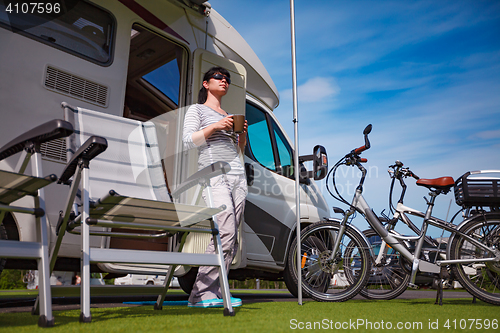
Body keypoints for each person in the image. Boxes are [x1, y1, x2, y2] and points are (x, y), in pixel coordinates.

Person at [182, 66, 248, 308]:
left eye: (227, 79)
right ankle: (200, 293)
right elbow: (188, 140)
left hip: (237, 176)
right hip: (214, 173)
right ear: (205, 83)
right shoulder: (197, 110)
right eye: (219, 77)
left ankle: (217, 291)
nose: (224, 81)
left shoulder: (228, 114)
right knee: (226, 230)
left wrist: (241, 138)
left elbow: (237, 151)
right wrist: (215, 127)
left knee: (232, 237)